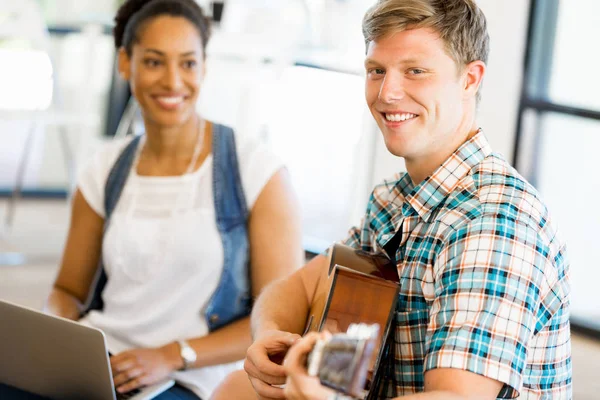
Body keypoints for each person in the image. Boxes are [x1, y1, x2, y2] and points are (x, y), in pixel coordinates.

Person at [214, 0, 572, 399]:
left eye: (415, 71)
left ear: (470, 79)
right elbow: (295, 286)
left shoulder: (495, 219)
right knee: (236, 388)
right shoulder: (392, 199)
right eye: (376, 71)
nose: (387, 92)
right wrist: (271, 336)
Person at [39, 0, 303, 399]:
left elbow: (281, 324)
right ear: (125, 63)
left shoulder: (257, 171)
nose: (173, 81)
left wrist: (170, 354)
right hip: (104, 359)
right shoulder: (105, 167)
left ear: (204, 67)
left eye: (188, 63)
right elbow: (68, 291)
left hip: (193, 374)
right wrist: (62, 337)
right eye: (154, 62)